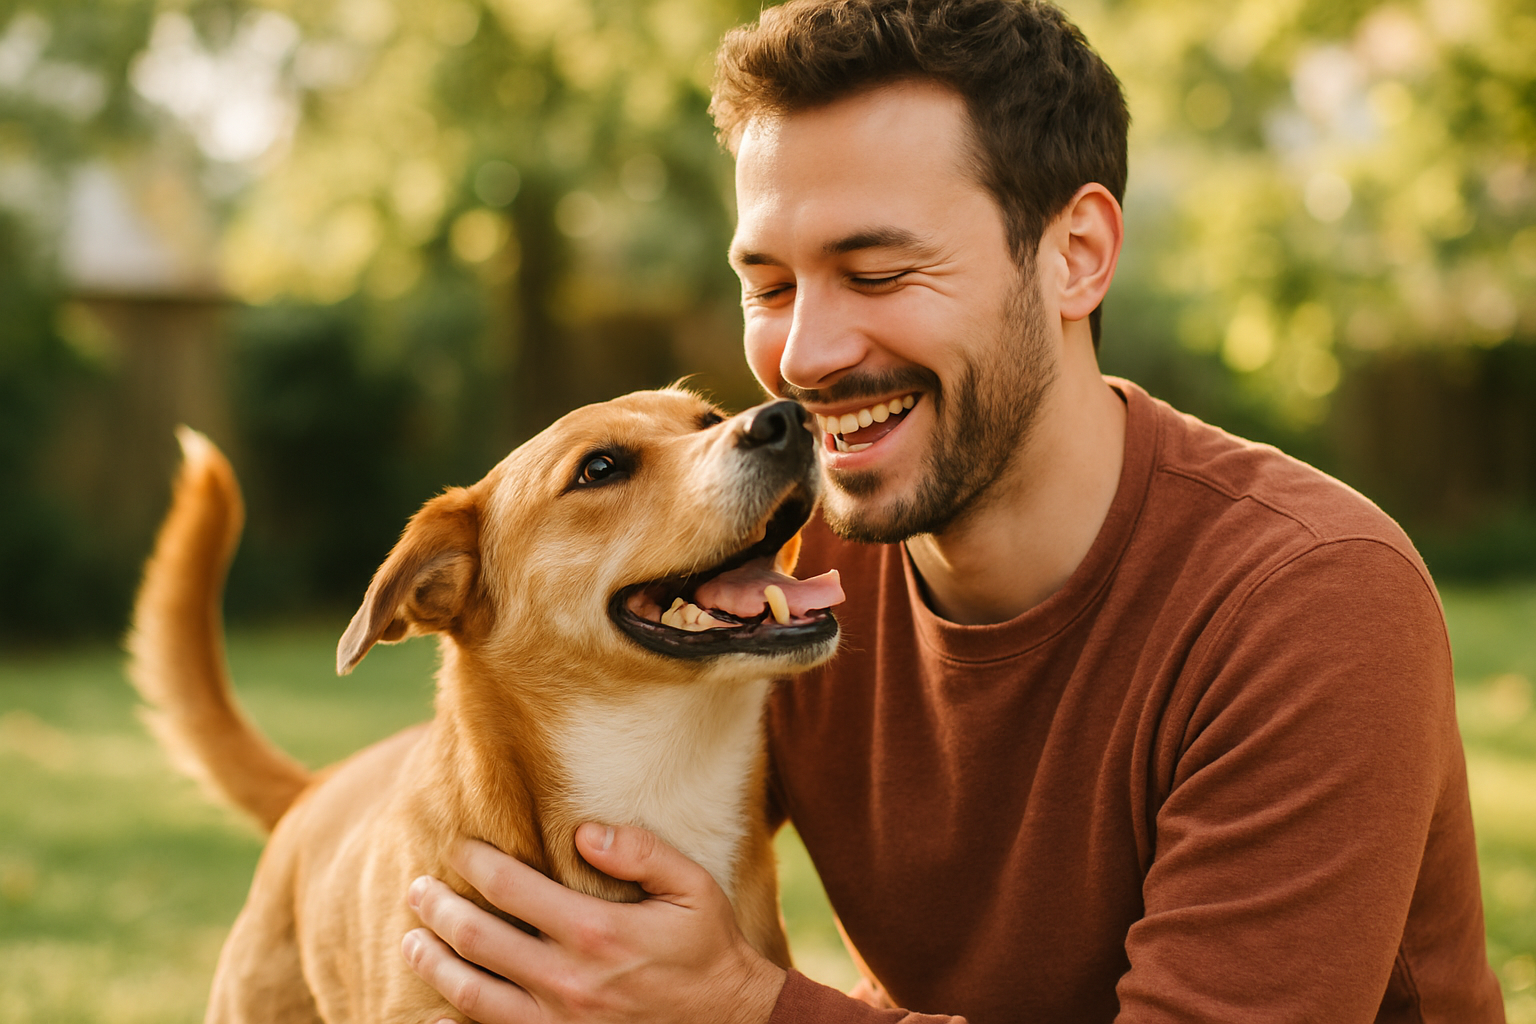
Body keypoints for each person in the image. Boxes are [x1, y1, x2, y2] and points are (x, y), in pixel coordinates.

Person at [397, 0, 1506, 1020]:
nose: (805, 356)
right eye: (771, 286)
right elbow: (545, 746)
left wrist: (746, 1006)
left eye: (876, 273)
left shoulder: (1311, 602)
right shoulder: (784, 573)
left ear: (1077, 256)